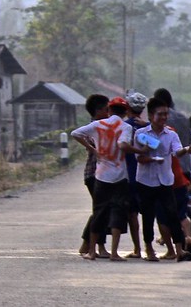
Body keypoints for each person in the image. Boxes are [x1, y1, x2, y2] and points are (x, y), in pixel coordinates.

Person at [71, 96, 136, 261]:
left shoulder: (97, 125)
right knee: (118, 212)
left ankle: (92, 251)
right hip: (120, 177)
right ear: (126, 111)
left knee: (99, 211)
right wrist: (140, 151)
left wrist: (92, 149)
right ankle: (114, 252)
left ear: (109, 110)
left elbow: (75, 133)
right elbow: (122, 145)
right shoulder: (125, 127)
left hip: (100, 175)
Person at [135, 96, 191, 262]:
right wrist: (153, 159)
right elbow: (139, 159)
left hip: (166, 180)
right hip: (146, 180)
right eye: (160, 114)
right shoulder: (141, 134)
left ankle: (178, 250)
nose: (163, 117)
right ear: (150, 116)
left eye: (165, 114)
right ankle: (149, 249)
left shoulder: (171, 134)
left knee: (172, 214)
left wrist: (187, 149)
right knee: (147, 216)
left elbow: (176, 152)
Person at [77, 94, 111, 258]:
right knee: (102, 210)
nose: (109, 112)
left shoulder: (102, 126)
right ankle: (98, 246)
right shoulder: (95, 128)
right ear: (98, 111)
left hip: (101, 173)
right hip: (95, 173)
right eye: (107, 109)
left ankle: (87, 243)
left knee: (101, 209)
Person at [123, 90, 149, 258]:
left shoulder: (124, 126)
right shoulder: (147, 127)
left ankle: (137, 249)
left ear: (127, 107)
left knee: (132, 214)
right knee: (148, 213)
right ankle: (149, 248)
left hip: (129, 174)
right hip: (147, 175)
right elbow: (156, 144)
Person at [153, 88, 191, 179]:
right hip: (185, 168)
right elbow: (190, 142)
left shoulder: (160, 119)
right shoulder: (184, 119)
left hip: (169, 169)